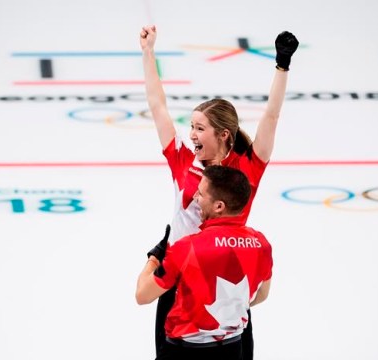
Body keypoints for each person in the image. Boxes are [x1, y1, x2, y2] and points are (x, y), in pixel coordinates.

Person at [139, 25, 298, 359]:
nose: (191, 134)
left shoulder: (248, 167)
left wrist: (282, 65)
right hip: (178, 278)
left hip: (227, 282)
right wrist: (148, 53)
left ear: (224, 135)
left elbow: (272, 114)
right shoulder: (183, 160)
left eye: (199, 128)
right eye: (191, 127)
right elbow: (157, 105)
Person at [136, 166, 273, 360]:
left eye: (200, 194)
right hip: (233, 349)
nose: (195, 198)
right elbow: (262, 294)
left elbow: (143, 295)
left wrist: (155, 257)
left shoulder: (187, 248)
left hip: (183, 352)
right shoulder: (262, 245)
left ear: (219, 206)